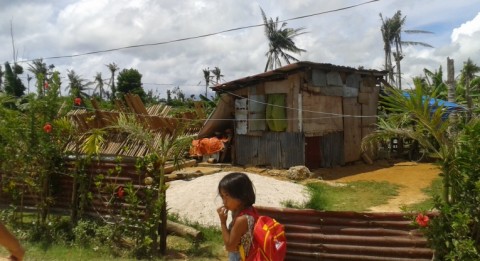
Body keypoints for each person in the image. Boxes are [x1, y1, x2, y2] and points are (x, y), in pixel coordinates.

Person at [217, 172, 258, 261]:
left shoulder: (242, 219)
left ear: (240, 195)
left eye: (227, 195)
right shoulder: (249, 210)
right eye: (222, 196)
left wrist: (223, 222)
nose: (224, 201)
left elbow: (230, 247)